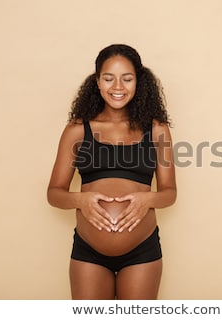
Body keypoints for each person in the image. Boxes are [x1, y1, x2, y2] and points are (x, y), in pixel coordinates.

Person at [47, 44, 176, 300]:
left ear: (139, 82)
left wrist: (147, 199)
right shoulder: (77, 130)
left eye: (127, 79)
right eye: (109, 78)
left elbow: (170, 193)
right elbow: (54, 193)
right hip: (89, 253)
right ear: (97, 82)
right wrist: (79, 200)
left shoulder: (157, 129)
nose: (118, 87)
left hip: (142, 251)